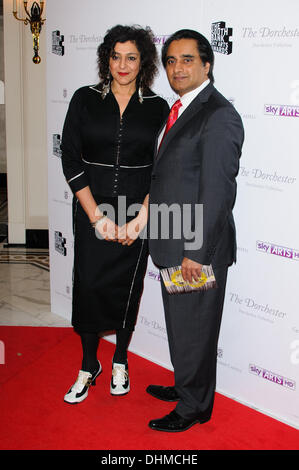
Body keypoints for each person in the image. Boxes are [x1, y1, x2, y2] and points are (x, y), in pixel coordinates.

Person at [61, 25, 169, 404]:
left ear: (144, 62)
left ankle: (120, 359)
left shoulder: (158, 107)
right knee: (89, 289)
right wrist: (96, 216)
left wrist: (141, 218)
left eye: (132, 57)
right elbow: (71, 159)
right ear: (106, 59)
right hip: (93, 208)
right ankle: (89, 365)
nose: (123, 65)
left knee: (128, 289)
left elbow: (162, 168)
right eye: (116, 56)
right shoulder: (84, 99)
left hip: (137, 213)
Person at [147, 29, 244, 431]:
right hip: (173, 239)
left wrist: (196, 252)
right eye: (170, 60)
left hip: (193, 247)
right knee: (185, 325)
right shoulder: (182, 109)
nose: (177, 68)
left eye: (187, 59)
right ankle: (189, 383)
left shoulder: (218, 114)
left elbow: (218, 192)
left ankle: (193, 407)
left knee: (194, 328)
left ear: (207, 64)